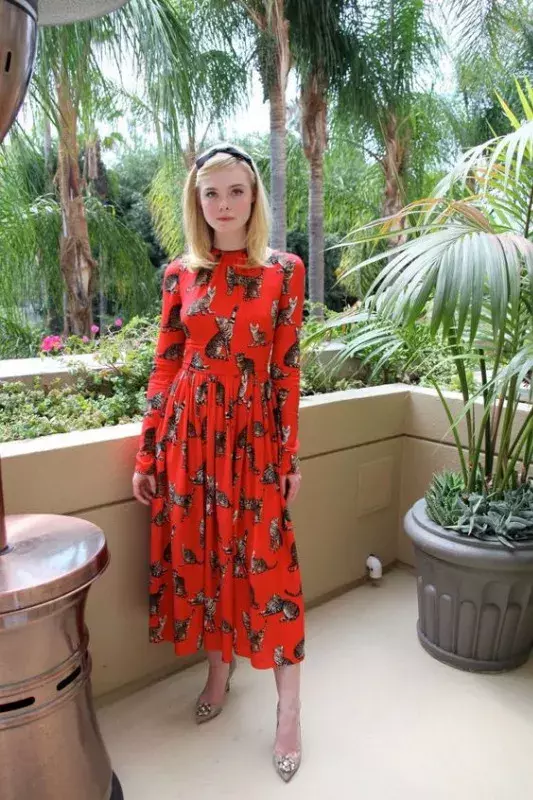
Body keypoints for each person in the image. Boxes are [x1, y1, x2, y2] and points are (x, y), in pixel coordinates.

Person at [132, 143, 305, 782]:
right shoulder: (180, 273)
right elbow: (166, 363)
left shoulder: (284, 270)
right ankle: (216, 670)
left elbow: (286, 370)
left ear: (254, 197)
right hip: (188, 437)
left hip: (253, 439)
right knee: (203, 556)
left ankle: (290, 710)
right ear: (197, 201)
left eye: (236, 191)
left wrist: (288, 455)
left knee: (271, 570)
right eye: (212, 193)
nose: (224, 204)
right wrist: (148, 447)